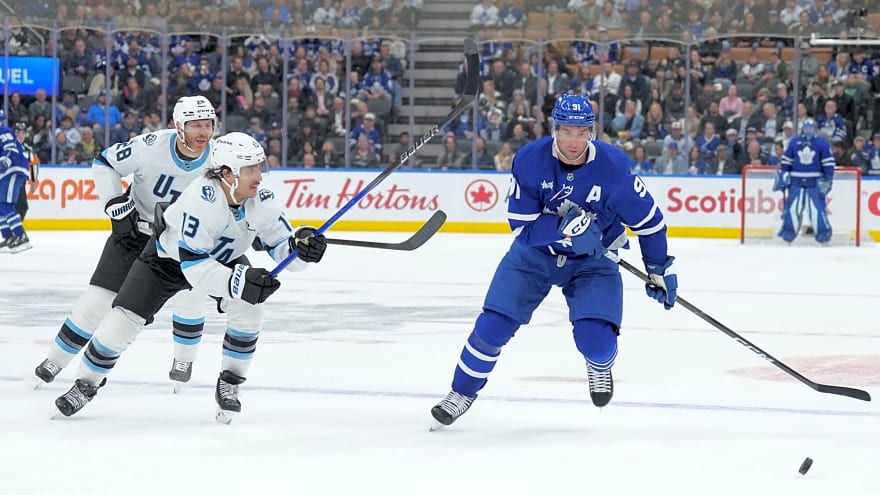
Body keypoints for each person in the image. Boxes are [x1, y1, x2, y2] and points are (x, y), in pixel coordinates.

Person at [429, 94, 678, 429]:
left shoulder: (614, 168)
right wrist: (564, 228)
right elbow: (522, 227)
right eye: (566, 131)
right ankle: (461, 393)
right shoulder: (530, 160)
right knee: (491, 328)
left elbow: (650, 222)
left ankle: (599, 365)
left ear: (592, 132)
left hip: (593, 260)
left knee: (596, 342)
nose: (573, 141)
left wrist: (659, 268)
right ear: (554, 129)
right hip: (534, 257)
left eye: (582, 132)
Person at [53, 132, 328, 422]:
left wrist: (300, 250)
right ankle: (86, 383)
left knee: (250, 310)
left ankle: (230, 382)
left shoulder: (262, 199)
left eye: (260, 167)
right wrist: (240, 282)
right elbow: (195, 270)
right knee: (122, 320)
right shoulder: (202, 199)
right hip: (167, 261)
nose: (259, 177)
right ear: (227, 174)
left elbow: (283, 248)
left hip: (222, 258)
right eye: (250, 170)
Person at [33, 96, 218, 390]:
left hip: (186, 243)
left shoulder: (220, 158)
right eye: (195, 125)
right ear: (178, 126)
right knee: (96, 301)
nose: (203, 132)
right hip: (136, 235)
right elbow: (104, 161)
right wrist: (114, 204)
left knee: (191, 299)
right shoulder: (149, 146)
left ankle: (184, 358)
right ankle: (56, 359)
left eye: (207, 124)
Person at [773, 118, 835, 244]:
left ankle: (823, 235)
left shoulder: (822, 143)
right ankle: (788, 234)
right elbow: (787, 161)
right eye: (807, 128)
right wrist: (784, 174)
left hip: (814, 183)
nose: (809, 131)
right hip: (796, 182)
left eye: (811, 128)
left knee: (816, 210)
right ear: (803, 129)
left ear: (815, 129)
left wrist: (828, 178)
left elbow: (828, 162)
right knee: (792, 209)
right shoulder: (795, 142)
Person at [0, 110, 32, 253]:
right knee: (1, 206)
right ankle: (8, 237)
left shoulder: (3, 131)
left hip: (13, 169)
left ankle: (20, 235)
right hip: (6, 173)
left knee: (6, 204)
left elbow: (9, 148)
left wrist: (5, 162)